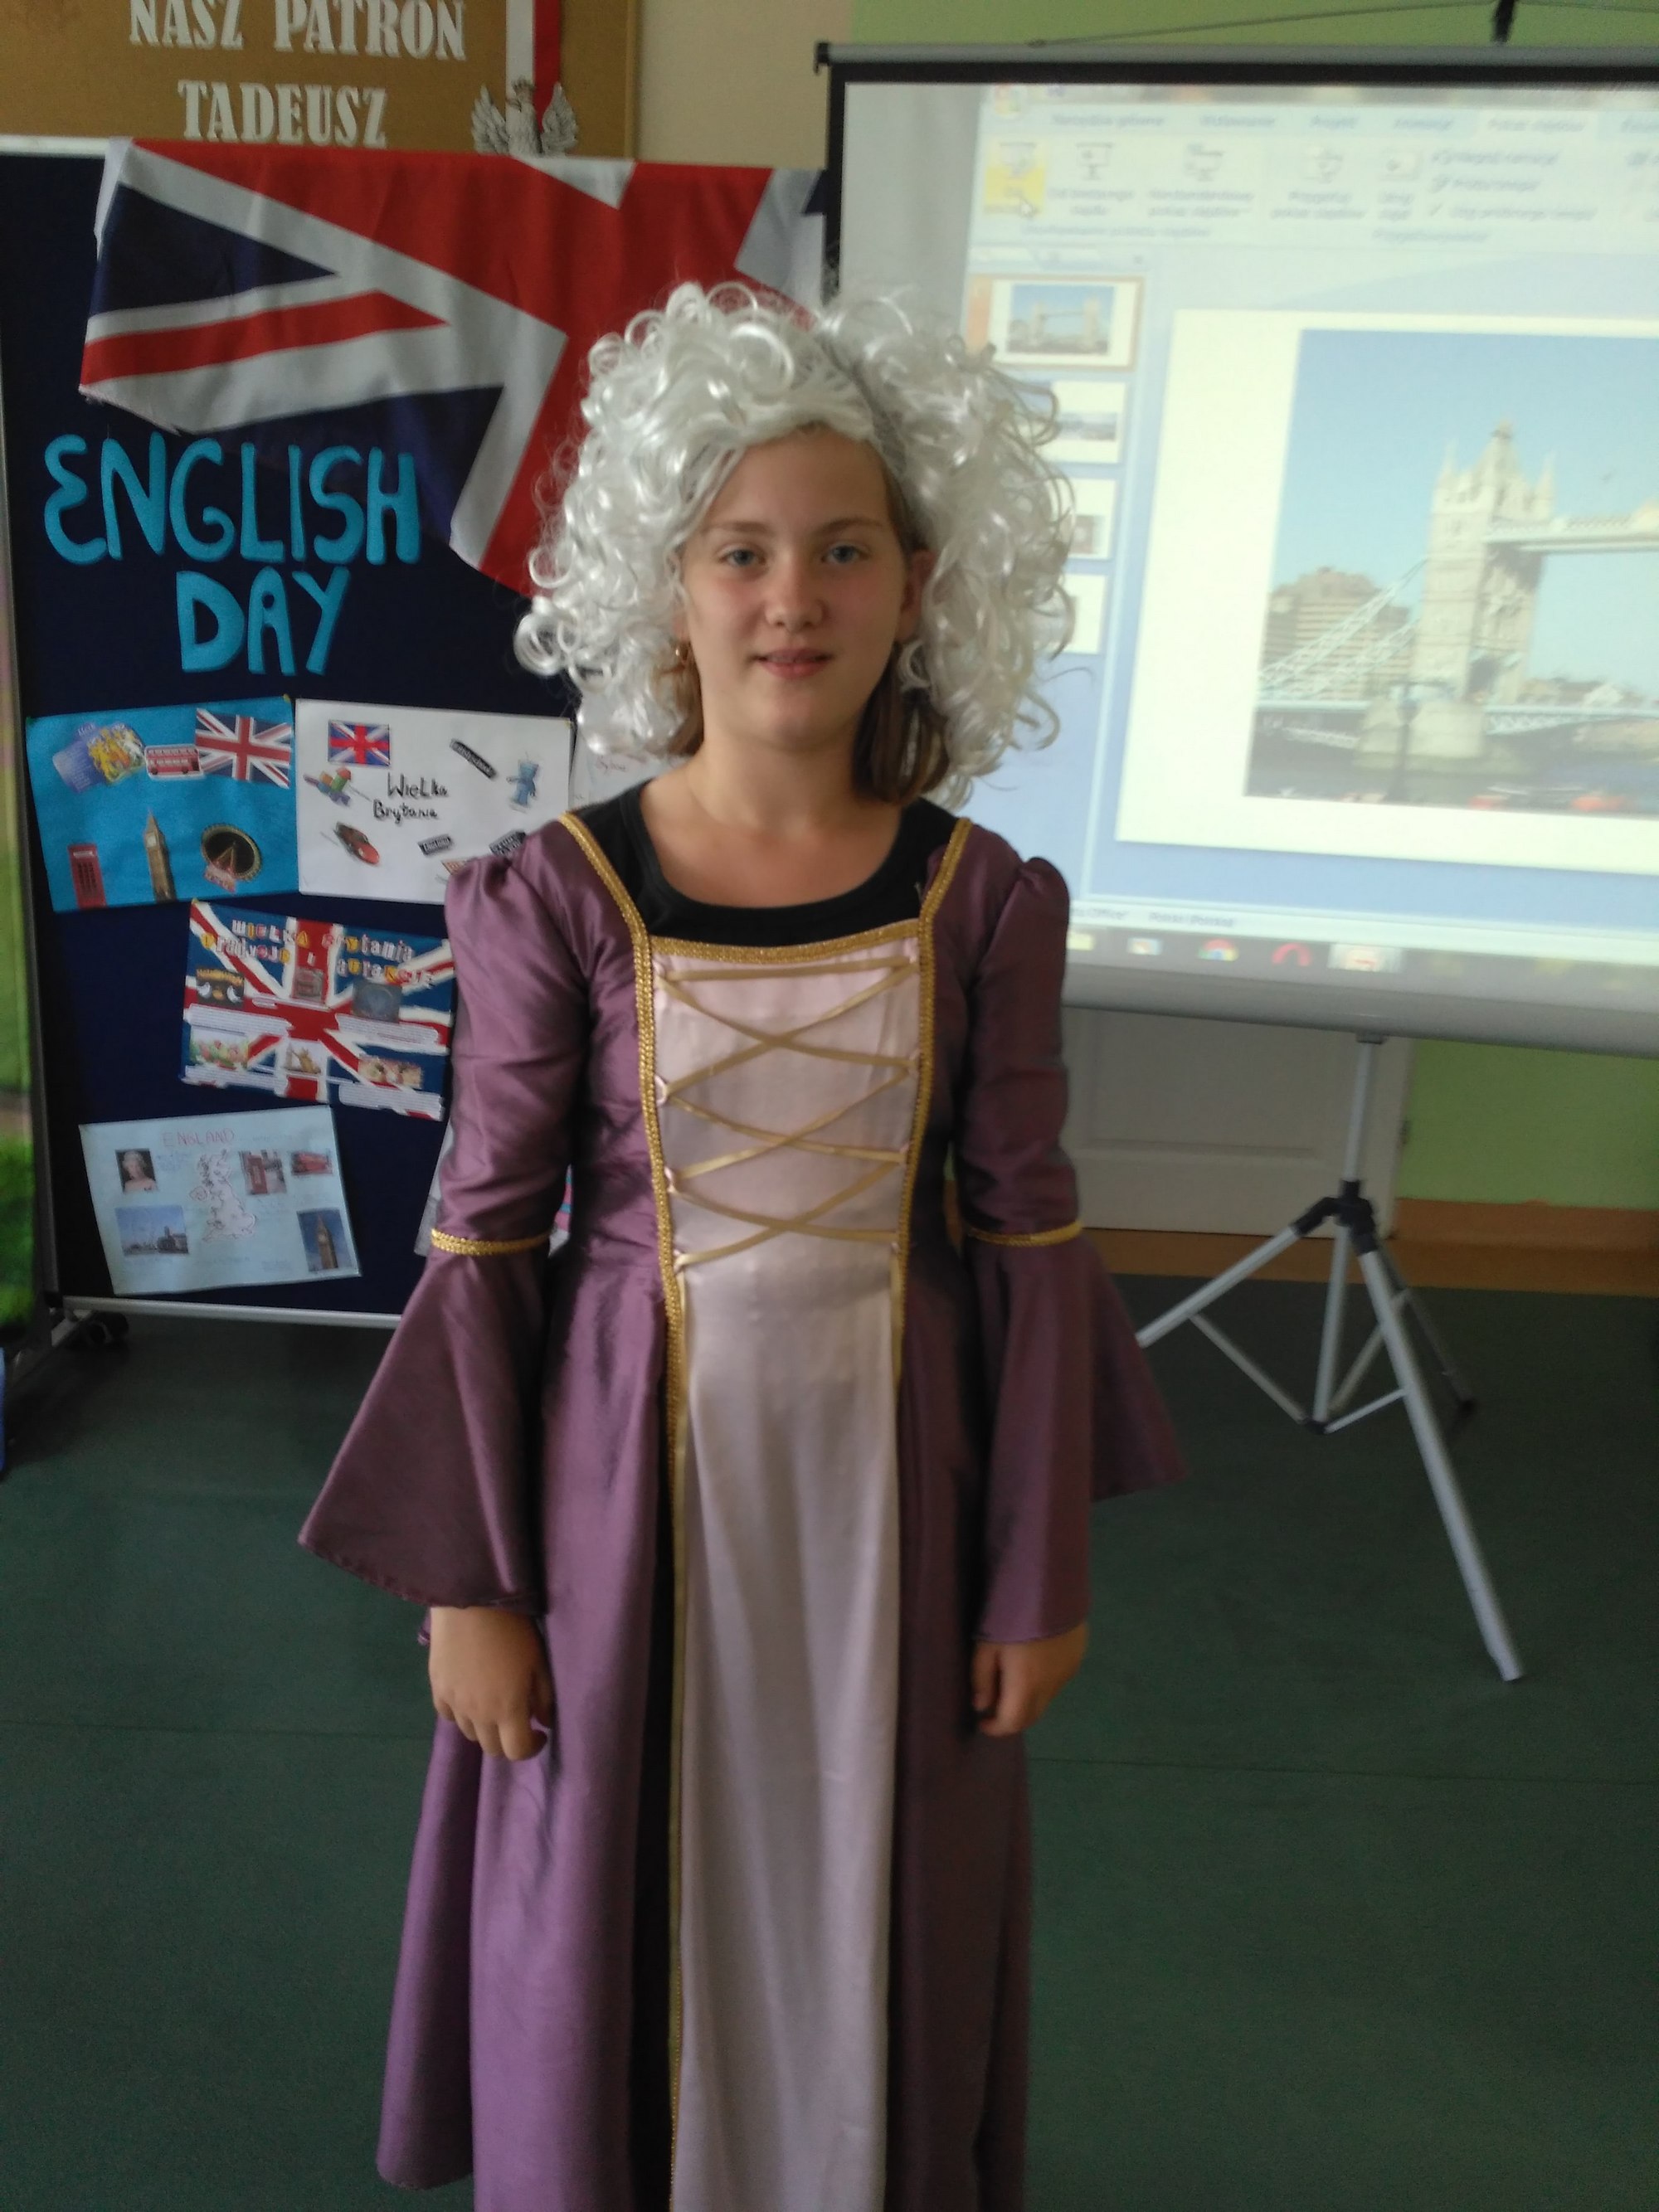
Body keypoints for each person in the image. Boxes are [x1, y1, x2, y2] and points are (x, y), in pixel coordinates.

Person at [300, 284, 1184, 2212]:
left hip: (896, 1499)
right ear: (668, 587)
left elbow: (1026, 1234)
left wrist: (1034, 1567)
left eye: (844, 549)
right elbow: (485, 1236)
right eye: (743, 551)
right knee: (617, 1872)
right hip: (620, 1504)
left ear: (918, 583)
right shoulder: (558, 893)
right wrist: (471, 1585)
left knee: (884, 1869)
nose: (795, 596)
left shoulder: (980, 900)